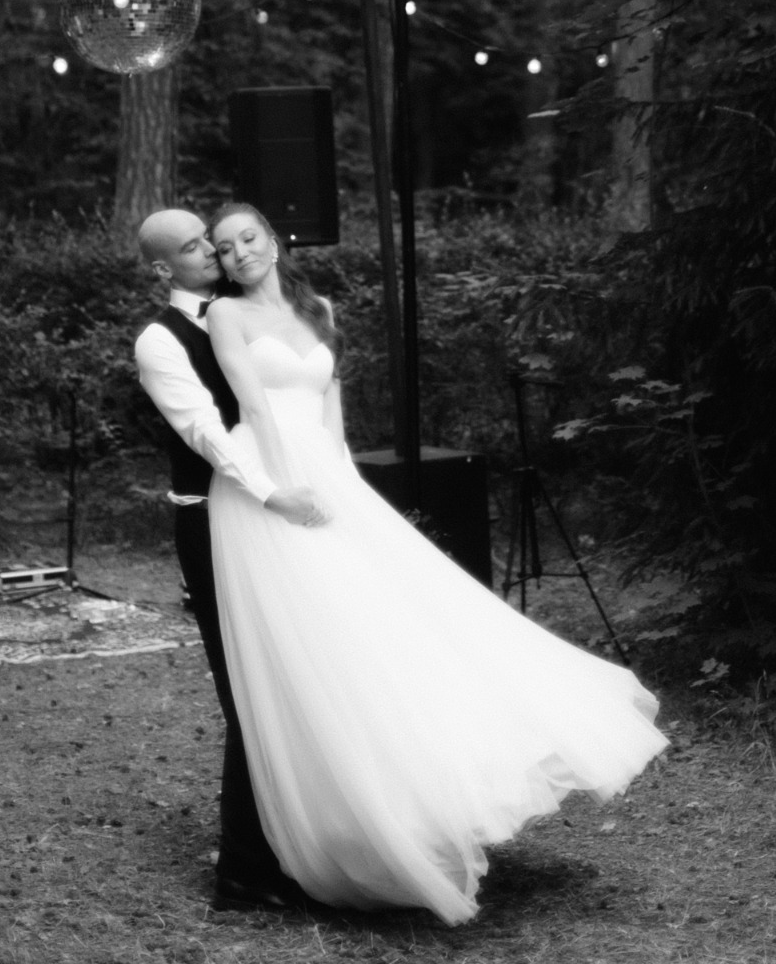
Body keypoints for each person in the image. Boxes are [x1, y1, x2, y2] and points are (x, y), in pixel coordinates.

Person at [204, 199, 669, 927]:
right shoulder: (225, 316)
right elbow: (255, 407)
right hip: (266, 483)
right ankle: (334, 819)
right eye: (226, 248)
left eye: (248, 238)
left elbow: (330, 404)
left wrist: (343, 480)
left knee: (397, 621)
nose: (240, 254)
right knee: (316, 638)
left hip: (326, 471)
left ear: (272, 239)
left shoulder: (319, 308)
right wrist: (286, 489)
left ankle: (418, 797)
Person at [134, 207, 325, 915]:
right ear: (164, 267)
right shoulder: (160, 339)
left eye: (210, 242)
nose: (212, 255)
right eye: (195, 248)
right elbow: (205, 431)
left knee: (300, 672)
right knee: (248, 686)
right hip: (214, 519)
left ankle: (304, 839)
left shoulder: (239, 310)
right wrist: (273, 492)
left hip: (278, 509)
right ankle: (244, 869)